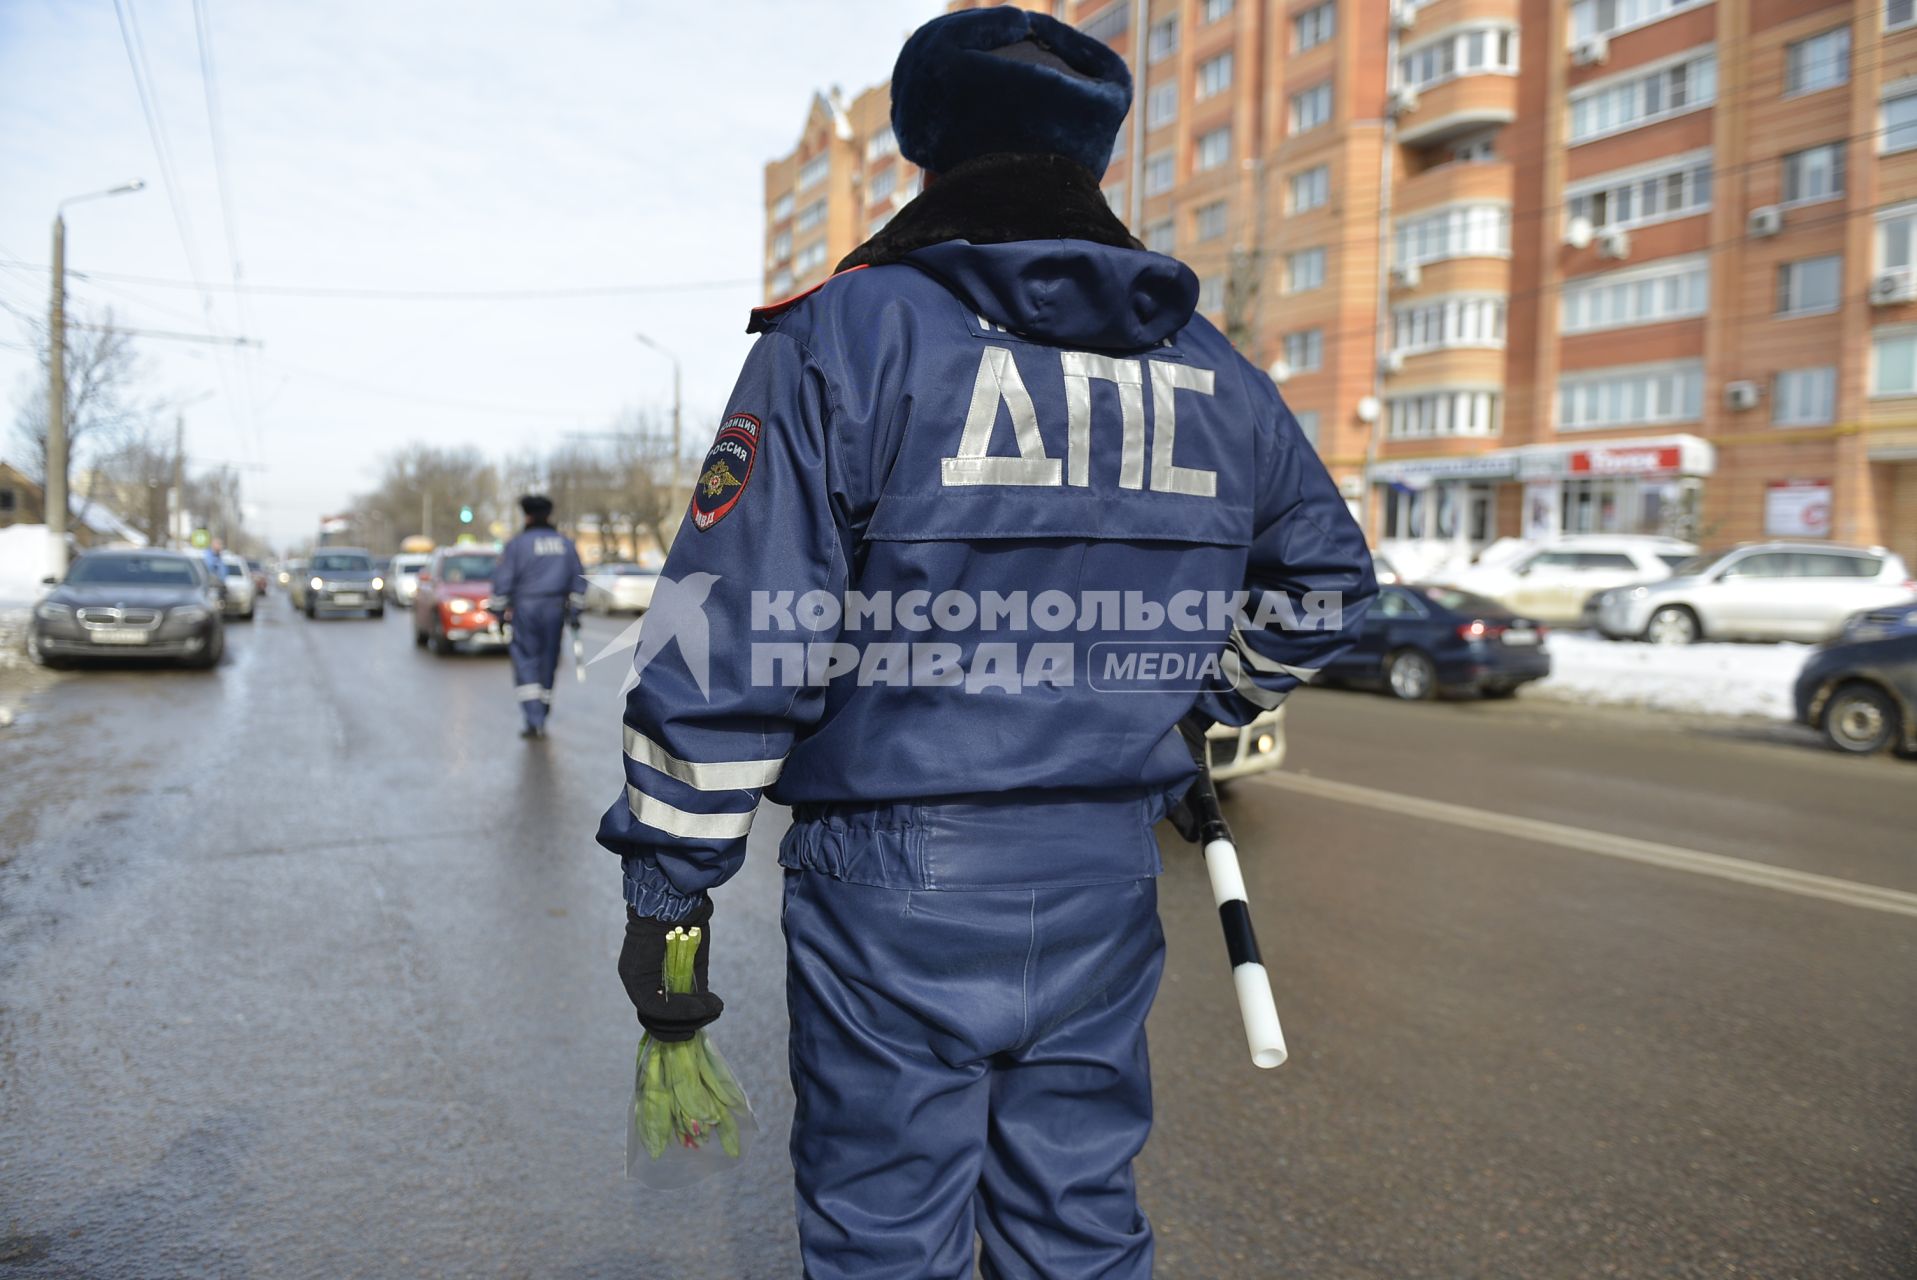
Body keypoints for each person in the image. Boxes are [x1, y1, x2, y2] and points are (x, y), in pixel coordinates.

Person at [598, 8, 1377, 1277]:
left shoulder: (845, 334)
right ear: (1100, 151)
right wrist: (1195, 707)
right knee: (1074, 1227)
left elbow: (732, 638)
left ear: (926, 139)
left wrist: (669, 888)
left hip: (892, 882)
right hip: (1103, 878)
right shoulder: (1211, 365)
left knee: (886, 1234)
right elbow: (1328, 578)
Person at [490, 494, 584, 739]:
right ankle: (542, 711)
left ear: (527, 515)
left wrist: (499, 614)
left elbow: (503, 581)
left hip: (526, 610)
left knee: (526, 661)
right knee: (548, 661)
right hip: (554, 610)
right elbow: (578, 580)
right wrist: (575, 612)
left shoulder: (517, 545)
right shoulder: (565, 544)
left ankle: (534, 719)